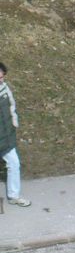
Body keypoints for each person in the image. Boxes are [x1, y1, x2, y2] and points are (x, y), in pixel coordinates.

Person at [0, 62, 31, 207]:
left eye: (2, 77)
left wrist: (14, 122)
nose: (1, 80)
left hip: (6, 136)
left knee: (14, 163)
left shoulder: (4, 88)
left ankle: (14, 196)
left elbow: (12, 106)